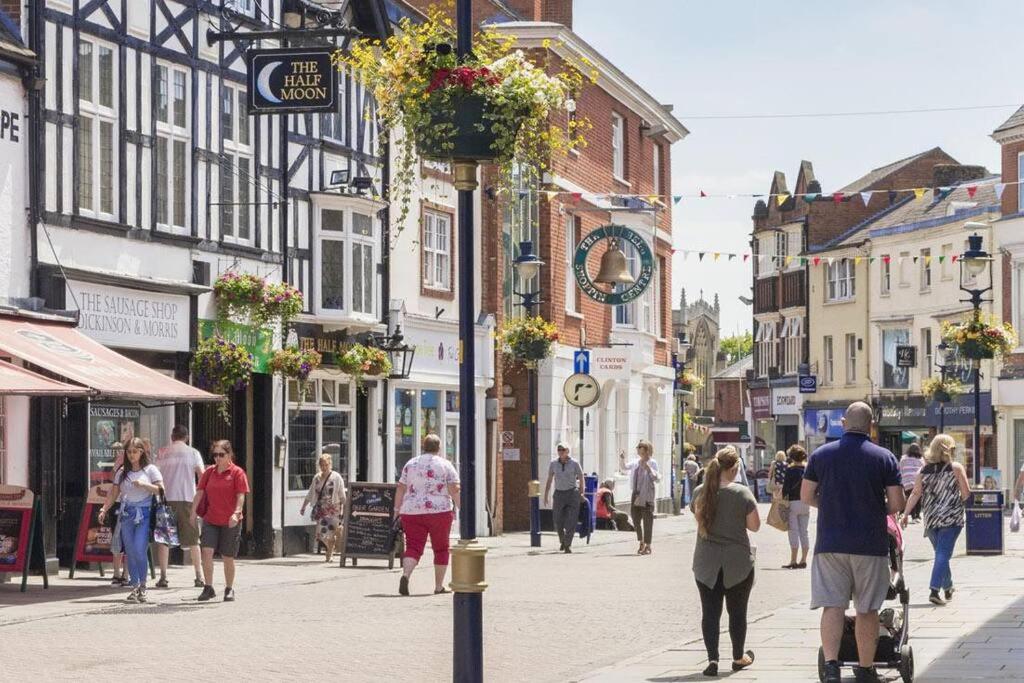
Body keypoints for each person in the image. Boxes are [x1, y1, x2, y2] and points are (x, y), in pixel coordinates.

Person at [801, 402, 904, 683]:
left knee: (832, 606)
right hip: (869, 545)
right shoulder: (884, 458)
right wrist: (873, 509)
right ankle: (865, 668)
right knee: (867, 609)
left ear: (844, 423)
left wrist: (830, 506)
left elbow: (806, 495)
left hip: (830, 545)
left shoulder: (821, 455)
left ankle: (831, 666)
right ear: (871, 425)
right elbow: (897, 503)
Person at [691, 446, 759, 677]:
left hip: (706, 564)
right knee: (737, 613)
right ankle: (739, 657)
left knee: (710, 613)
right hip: (738, 563)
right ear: (734, 469)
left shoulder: (700, 492)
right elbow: (754, 526)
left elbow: (698, 517)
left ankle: (712, 659)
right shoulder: (742, 494)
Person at [901, 434, 970, 606]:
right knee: (942, 555)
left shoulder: (923, 471)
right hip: (951, 519)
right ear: (949, 449)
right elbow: (966, 493)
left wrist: (906, 513)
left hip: (931, 520)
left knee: (941, 554)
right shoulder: (956, 468)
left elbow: (915, 493)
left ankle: (948, 586)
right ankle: (934, 589)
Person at [97, 438, 163, 603]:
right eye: (129, 452)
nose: (131, 455)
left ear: (141, 452)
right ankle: (135, 586)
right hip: (126, 514)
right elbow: (114, 493)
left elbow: (161, 490)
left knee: (140, 549)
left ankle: (143, 586)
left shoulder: (151, 470)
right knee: (130, 551)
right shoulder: (122, 472)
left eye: (135, 452)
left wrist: (144, 485)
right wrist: (104, 509)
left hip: (144, 513)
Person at [394, 434, 460, 596]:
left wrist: (397, 510)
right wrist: (462, 508)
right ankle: (438, 586)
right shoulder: (445, 465)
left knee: (413, 547)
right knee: (441, 548)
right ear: (439, 448)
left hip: (412, 511)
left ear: (423, 447)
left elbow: (401, 488)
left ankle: (406, 575)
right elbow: (454, 489)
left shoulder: (411, 464)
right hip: (439, 511)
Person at [191, 440, 249, 603]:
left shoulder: (237, 473)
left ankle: (229, 588)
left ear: (229, 455)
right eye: (215, 455)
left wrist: (236, 513)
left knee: (227, 556)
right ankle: (208, 587)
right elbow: (200, 492)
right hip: (211, 519)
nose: (217, 458)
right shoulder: (209, 472)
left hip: (230, 521)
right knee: (206, 552)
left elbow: (241, 496)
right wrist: (193, 512)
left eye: (221, 455)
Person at [153, 425, 206, 588]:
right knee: (193, 539)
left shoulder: (162, 452)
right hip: (187, 498)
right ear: (186, 437)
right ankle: (199, 576)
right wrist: (200, 494)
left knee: (164, 539)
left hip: (166, 500)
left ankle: (163, 576)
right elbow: (202, 475)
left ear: (172, 437)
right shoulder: (193, 453)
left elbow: (155, 474)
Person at [300, 453, 347, 563]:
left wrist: (345, 509)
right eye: (322, 465)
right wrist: (303, 506)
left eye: (326, 465)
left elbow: (342, 495)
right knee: (322, 534)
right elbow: (311, 493)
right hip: (321, 510)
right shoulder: (317, 478)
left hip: (334, 509)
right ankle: (331, 545)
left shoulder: (336, 477)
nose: (324, 467)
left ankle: (329, 553)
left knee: (331, 532)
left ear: (330, 464)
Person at [619, 440, 661, 555]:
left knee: (647, 521)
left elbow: (657, 478)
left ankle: (648, 545)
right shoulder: (636, 462)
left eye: (642, 451)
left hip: (647, 495)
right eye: (639, 450)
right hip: (636, 494)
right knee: (635, 519)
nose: (640, 453)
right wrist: (622, 459)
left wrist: (649, 469)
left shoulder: (652, 463)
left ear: (647, 451)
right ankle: (641, 541)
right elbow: (624, 467)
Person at [543, 442, 585, 553]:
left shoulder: (574, 463)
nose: (561, 452)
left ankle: (567, 545)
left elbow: (581, 477)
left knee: (572, 520)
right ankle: (563, 540)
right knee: (557, 521)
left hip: (572, 493)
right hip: (559, 494)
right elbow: (549, 479)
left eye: (563, 450)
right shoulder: (553, 464)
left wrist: (582, 493)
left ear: (568, 451)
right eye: (559, 450)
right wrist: (546, 494)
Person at [782, 445, 810, 569]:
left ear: (792, 457)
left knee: (793, 531)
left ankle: (793, 560)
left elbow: (785, 489)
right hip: (806, 503)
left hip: (793, 503)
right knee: (804, 531)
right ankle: (803, 559)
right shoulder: (807, 470)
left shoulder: (790, 470)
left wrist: (783, 499)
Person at [106, 441, 128, 586]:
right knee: (117, 537)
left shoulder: (142, 466)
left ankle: (126, 573)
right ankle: (116, 573)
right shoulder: (120, 463)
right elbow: (112, 478)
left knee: (129, 539)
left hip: (132, 504)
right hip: (118, 502)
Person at [899, 443, 925, 522]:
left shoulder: (903, 458)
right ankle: (917, 516)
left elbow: (900, 469)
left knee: (910, 497)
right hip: (917, 481)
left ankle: (913, 516)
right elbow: (923, 469)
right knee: (918, 498)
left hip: (907, 481)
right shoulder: (921, 459)